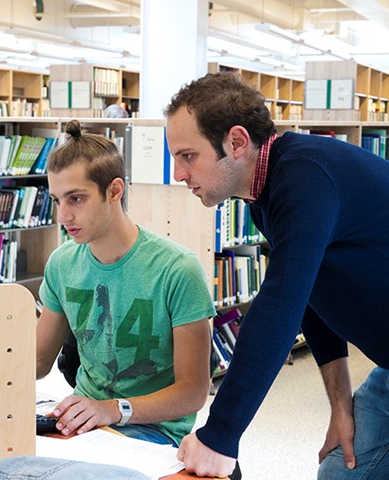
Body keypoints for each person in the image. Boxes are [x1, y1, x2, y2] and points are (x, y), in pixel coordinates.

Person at [164, 72, 389, 479]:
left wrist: (220, 435)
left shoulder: (306, 176)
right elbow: (309, 296)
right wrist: (341, 407)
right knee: (341, 470)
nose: (178, 174)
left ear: (235, 142)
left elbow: (279, 305)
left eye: (188, 156)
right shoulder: (263, 197)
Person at [36, 119, 215, 447]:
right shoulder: (62, 265)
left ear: (114, 191)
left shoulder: (177, 269)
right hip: (82, 423)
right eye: (57, 200)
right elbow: (36, 362)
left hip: (150, 431)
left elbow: (192, 393)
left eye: (76, 199)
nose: (63, 217)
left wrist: (113, 410)